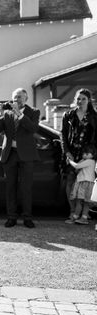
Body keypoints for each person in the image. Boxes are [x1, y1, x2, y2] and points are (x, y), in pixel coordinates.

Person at [0, 88, 40, 228]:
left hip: (26, 155)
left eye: (19, 97)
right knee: (10, 187)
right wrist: (0, 115)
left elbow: (33, 128)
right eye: (14, 97)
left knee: (26, 187)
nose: (16, 99)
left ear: (26, 99)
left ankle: (27, 217)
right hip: (10, 154)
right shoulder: (7, 113)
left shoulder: (34, 112)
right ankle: (11, 217)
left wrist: (19, 114)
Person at [61, 89, 97, 220]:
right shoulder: (68, 115)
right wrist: (67, 152)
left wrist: (93, 156)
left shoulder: (94, 117)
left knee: (85, 184)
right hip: (72, 154)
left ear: (89, 101)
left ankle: (84, 213)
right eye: (78, 99)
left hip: (87, 156)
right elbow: (63, 135)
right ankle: (73, 212)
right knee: (70, 183)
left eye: (83, 99)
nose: (80, 101)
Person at [65, 144, 96, 225]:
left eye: (88, 153)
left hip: (84, 183)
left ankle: (75, 217)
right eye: (84, 153)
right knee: (86, 202)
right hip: (88, 183)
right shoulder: (87, 161)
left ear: (92, 154)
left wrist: (70, 161)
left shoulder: (90, 161)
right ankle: (83, 218)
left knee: (79, 201)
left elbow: (77, 166)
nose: (85, 155)